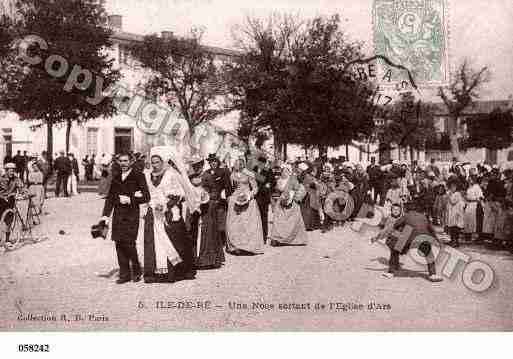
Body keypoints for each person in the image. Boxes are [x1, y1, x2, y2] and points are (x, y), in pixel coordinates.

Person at [143, 148, 197, 283]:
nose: (155, 165)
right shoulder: (147, 176)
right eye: (153, 162)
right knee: (153, 241)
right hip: (153, 212)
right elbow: (146, 193)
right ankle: (155, 272)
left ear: (162, 162)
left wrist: (166, 205)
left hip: (168, 211)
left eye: (157, 162)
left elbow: (178, 194)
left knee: (174, 240)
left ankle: (174, 271)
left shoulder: (170, 175)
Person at [100, 152, 150, 284]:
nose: (123, 164)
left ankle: (137, 269)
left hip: (131, 214)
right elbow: (110, 198)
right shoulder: (116, 177)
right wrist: (105, 215)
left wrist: (130, 199)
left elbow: (146, 196)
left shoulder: (138, 176)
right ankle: (124, 273)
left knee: (129, 243)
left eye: (126, 161)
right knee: (118, 242)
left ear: (131, 161)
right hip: (118, 214)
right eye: (121, 161)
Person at [381, 200, 443, 282]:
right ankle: (433, 274)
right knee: (429, 254)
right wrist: (438, 241)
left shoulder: (406, 216)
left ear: (407, 209)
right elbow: (431, 230)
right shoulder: (423, 216)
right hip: (424, 237)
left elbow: (395, 225)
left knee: (395, 251)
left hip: (409, 236)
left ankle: (391, 272)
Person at [196, 154, 232, 269]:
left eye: (215, 161)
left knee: (218, 226)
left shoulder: (224, 172)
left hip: (219, 201)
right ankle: (207, 257)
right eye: (211, 162)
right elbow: (203, 187)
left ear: (218, 162)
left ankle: (216, 256)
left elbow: (228, 186)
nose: (213, 163)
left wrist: (225, 195)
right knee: (208, 227)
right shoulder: (206, 173)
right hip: (208, 202)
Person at [226, 158, 265, 255]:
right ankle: (236, 246)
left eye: (238, 163)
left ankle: (249, 246)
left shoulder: (248, 173)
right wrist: (232, 197)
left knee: (248, 224)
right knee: (235, 224)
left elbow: (255, 187)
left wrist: (249, 195)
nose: (236, 165)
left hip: (248, 199)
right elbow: (232, 188)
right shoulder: (232, 175)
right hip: (236, 199)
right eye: (235, 163)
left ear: (242, 164)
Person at [270, 164, 308, 246]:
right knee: (278, 220)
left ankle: (294, 239)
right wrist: (277, 198)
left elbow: (299, 189)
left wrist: (293, 196)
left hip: (292, 203)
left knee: (292, 221)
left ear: (289, 172)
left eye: (286, 171)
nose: (284, 173)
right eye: (283, 171)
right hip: (281, 202)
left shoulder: (293, 180)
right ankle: (277, 238)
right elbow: (276, 191)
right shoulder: (279, 180)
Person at [0, 163, 26, 244]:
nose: (12, 173)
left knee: (9, 221)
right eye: (10, 171)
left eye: (13, 171)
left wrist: (24, 193)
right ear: (6, 171)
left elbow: (22, 188)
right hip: (1, 201)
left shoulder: (16, 179)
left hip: (10, 202)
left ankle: (7, 239)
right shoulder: (1, 179)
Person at [253, 155, 274, 243]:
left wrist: (268, 186)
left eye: (262, 163)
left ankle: (264, 236)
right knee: (255, 216)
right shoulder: (254, 169)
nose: (260, 164)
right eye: (259, 163)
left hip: (264, 197)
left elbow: (272, 182)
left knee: (264, 216)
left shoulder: (268, 171)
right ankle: (256, 235)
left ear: (265, 164)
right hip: (255, 196)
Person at [446, 179, 465, 248]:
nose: (452, 188)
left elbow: (453, 202)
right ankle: (452, 240)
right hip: (452, 212)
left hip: (456, 213)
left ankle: (456, 241)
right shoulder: (452, 193)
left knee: (455, 227)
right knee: (451, 227)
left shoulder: (457, 194)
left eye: (454, 187)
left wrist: (449, 195)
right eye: (451, 187)